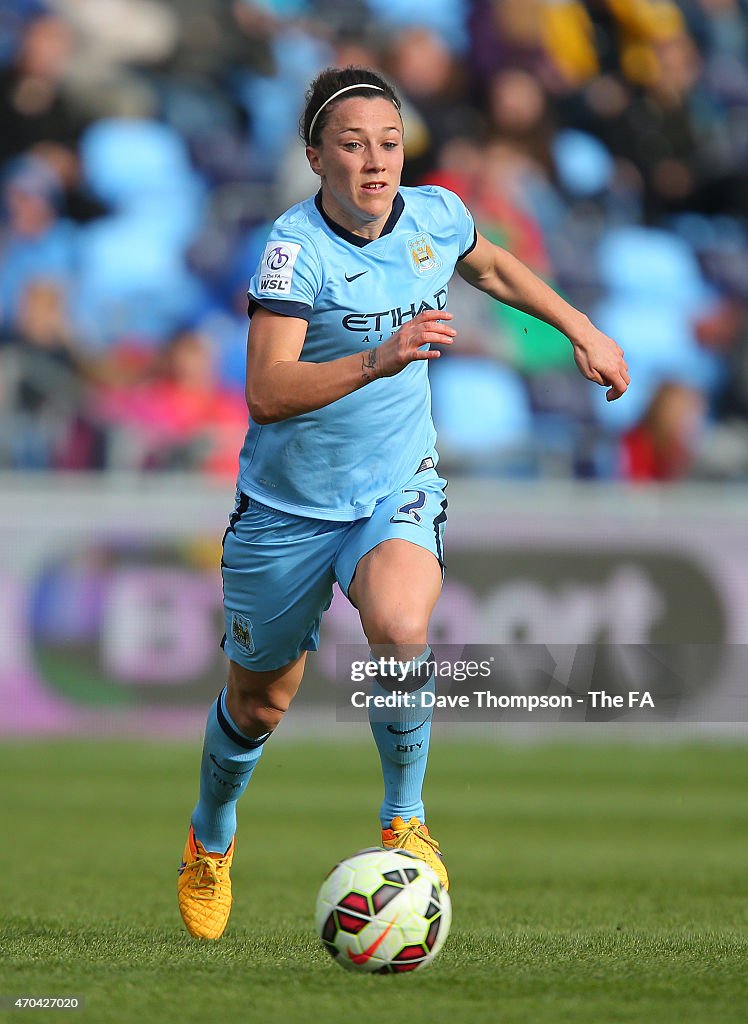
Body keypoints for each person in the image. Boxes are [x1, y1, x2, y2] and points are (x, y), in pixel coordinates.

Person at [177, 66, 629, 940]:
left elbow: (490, 264)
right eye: (352, 145)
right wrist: (377, 359)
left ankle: (403, 819)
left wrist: (583, 329)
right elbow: (266, 392)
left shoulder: (435, 214)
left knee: (402, 624)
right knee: (259, 702)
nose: (375, 162)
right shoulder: (291, 248)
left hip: (396, 481)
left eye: (388, 143)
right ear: (315, 156)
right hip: (286, 508)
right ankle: (211, 836)